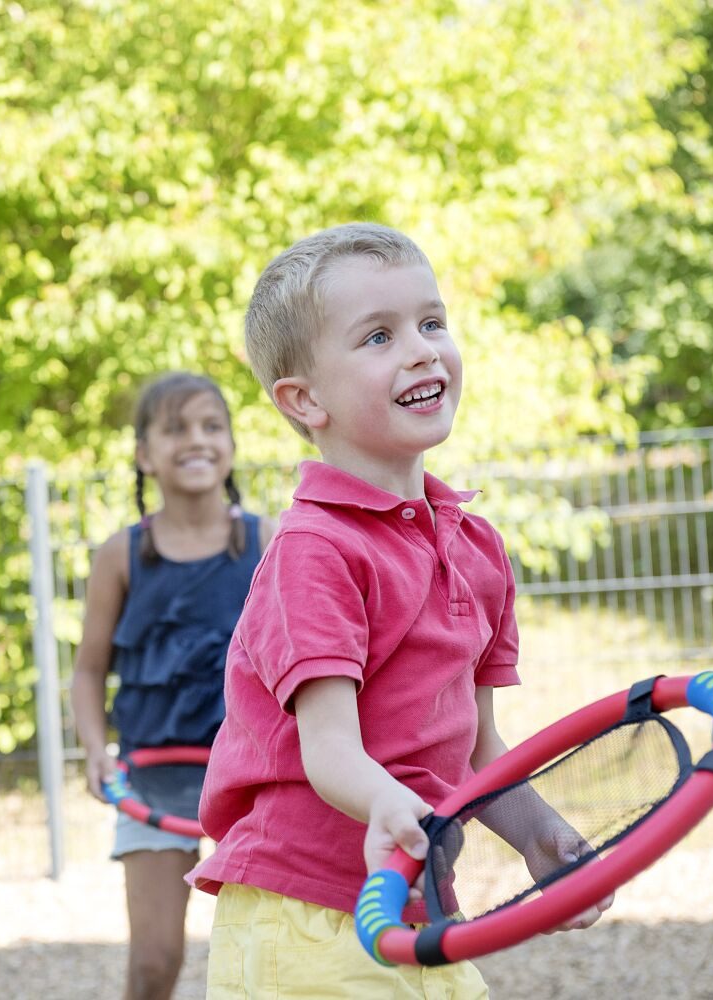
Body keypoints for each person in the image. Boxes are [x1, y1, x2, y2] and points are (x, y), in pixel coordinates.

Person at [186, 223, 610, 998]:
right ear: (305, 399)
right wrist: (390, 804)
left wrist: (539, 834)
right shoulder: (314, 549)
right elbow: (329, 749)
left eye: (431, 322)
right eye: (378, 336)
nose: (421, 350)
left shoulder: (476, 546)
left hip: (416, 906)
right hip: (305, 918)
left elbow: (477, 748)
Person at [71, 371, 276, 1000]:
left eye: (213, 426)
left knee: (270, 958)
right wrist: (95, 749)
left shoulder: (269, 541)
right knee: (154, 963)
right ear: (144, 453)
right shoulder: (120, 555)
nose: (197, 440)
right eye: (176, 428)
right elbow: (88, 670)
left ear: (231, 446)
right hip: (153, 778)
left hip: (253, 781)